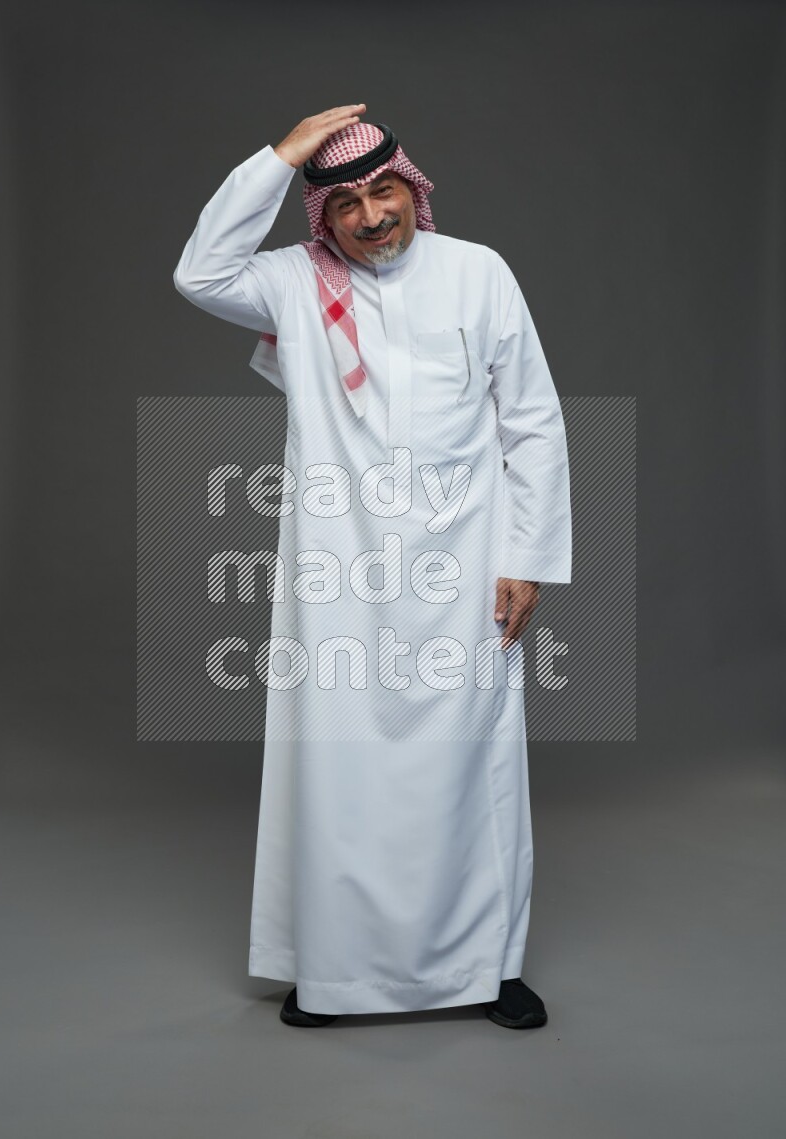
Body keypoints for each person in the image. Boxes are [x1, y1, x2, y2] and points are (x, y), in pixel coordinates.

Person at [173, 105, 572, 1029]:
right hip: (336, 572)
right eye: (344, 200)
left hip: (466, 565)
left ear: (412, 189)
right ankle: (335, 974)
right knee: (339, 770)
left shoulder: (478, 272)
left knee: (474, 766)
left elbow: (533, 422)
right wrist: (284, 154)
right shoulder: (293, 284)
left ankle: (487, 966)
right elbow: (200, 271)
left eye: (383, 190)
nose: (369, 215)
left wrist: (527, 556)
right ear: (323, 215)